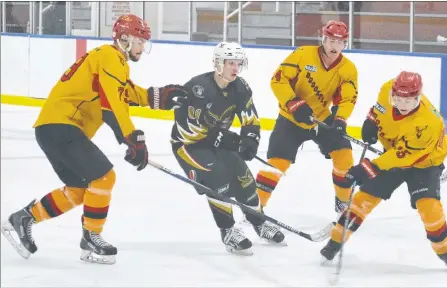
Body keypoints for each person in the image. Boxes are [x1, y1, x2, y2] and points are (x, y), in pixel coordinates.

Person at [1, 14, 187, 265]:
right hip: (61, 126)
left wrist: (159, 97)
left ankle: (23, 218)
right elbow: (112, 104)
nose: (143, 48)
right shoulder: (111, 58)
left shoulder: (109, 60)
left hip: (52, 128)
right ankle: (91, 237)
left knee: (80, 190)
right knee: (104, 177)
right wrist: (132, 138)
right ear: (124, 39)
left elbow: (125, 93)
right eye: (140, 41)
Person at [320, 71, 447, 271]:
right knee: (363, 200)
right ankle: (334, 243)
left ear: (418, 97)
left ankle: (444, 251)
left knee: (429, 207)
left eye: (409, 100)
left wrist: (365, 169)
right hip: (393, 153)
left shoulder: (428, 122)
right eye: (398, 99)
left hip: (424, 164)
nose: (402, 105)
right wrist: (370, 122)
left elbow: (399, 157)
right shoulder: (388, 89)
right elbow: (377, 110)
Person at [170, 42, 286, 256]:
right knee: (218, 181)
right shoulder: (198, 88)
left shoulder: (240, 87)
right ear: (218, 64)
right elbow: (189, 128)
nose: (235, 67)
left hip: (218, 141)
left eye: (238, 63)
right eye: (230, 63)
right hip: (189, 145)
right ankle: (228, 231)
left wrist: (250, 140)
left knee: (245, 180)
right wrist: (227, 138)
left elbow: (250, 117)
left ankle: (259, 223)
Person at [255, 20, 359, 227]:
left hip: (320, 118)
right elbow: (278, 80)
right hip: (290, 117)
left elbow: (346, 99)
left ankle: (342, 202)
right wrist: (294, 103)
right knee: (276, 164)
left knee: (344, 155)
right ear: (323, 38)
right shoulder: (303, 54)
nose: (334, 46)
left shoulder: (348, 69)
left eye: (339, 42)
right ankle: (255, 206)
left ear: (345, 44)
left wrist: (339, 120)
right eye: (330, 40)